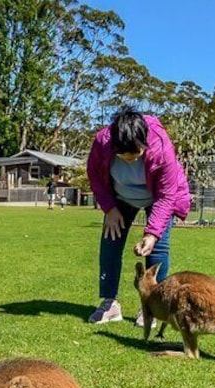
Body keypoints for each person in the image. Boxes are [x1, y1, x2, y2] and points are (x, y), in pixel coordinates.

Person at [86, 106, 191, 326]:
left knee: (158, 246)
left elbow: (166, 195)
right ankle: (110, 303)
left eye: (136, 155)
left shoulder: (162, 148)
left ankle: (153, 307)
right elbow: (94, 174)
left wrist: (152, 233)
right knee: (110, 241)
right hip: (120, 198)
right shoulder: (102, 142)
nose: (131, 161)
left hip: (158, 198)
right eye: (124, 157)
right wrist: (109, 209)